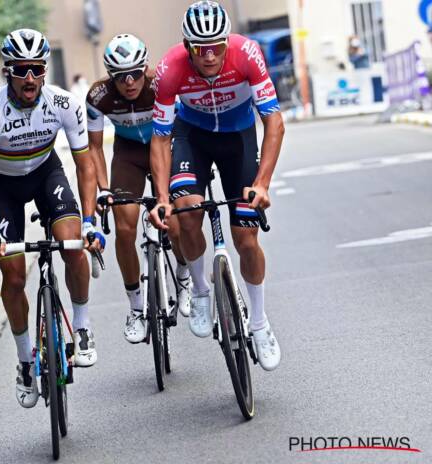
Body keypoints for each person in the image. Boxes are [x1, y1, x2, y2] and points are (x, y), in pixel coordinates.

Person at [0, 29, 105, 408]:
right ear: (8, 72)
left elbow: (85, 164)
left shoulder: (63, 103)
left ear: (44, 71)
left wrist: (90, 220)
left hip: (46, 174)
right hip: (2, 185)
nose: (30, 78)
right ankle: (26, 361)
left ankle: (83, 327)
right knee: (12, 273)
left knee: (73, 245)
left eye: (37, 69)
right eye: (22, 70)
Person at [149, 1, 285, 371]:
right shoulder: (169, 69)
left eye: (216, 47)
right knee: (188, 211)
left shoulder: (247, 53)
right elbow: (160, 139)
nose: (209, 56)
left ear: (227, 42)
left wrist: (262, 183)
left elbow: (273, 122)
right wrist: (162, 198)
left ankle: (259, 323)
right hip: (192, 135)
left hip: (237, 138)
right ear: (187, 46)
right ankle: (201, 290)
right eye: (199, 48)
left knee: (246, 238)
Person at [86, 34, 192, 344]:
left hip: (166, 147)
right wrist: (104, 189)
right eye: (121, 77)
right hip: (128, 153)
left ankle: (184, 278)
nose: (130, 82)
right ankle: (135, 306)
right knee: (125, 225)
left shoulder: (161, 83)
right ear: (110, 76)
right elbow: (93, 148)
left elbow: (187, 123)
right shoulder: (98, 96)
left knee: (173, 223)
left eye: (135, 73)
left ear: (145, 68)